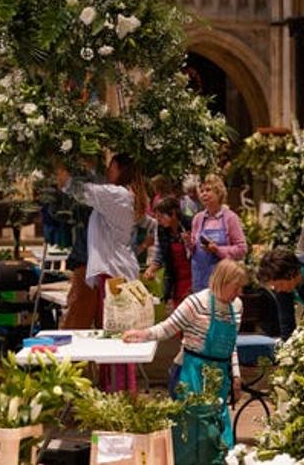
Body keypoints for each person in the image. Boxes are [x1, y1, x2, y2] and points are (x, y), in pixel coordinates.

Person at [124, 259, 247, 448]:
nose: (239, 293)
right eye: (237, 287)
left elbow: (232, 345)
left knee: (216, 437)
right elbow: (167, 328)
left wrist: (236, 375)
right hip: (190, 374)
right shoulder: (196, 302)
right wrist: (142, 334)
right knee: (188, 436)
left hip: (219, 378)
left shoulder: (237, 306)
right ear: (223, 281)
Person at [60, 153, 147, 390]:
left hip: (114, 274)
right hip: (114, 271)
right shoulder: (123, 194)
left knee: (116, 337)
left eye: (110, 167)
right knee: (111, 334)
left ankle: (119, 392)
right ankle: (112, 389)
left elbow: (81, 191)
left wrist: (59, 168)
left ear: (119, 168)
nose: (107, 171)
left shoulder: (118, 195)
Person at [44, 165, 96, 329]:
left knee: (79, 312)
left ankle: (74, 351)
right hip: (86, 257)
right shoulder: (88, 186)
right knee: (79, 309)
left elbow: (59, 213)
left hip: (89, 259)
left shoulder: (88, 187)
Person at [188, 175, 247, 292]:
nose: (203, 194)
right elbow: (193, 250)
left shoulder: (230, 218)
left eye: (208, 190)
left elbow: (242, 249)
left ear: (219, 193)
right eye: (202, 191)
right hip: (200, 278)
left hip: (223, 280)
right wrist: (189, 244)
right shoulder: (198, 218)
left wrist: (218, 250)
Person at [143, 196, 193, 308]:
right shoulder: (162, 230)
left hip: (194, 277)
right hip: (175, 279)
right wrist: (151, 268)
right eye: (157, 217)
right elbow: (161, 252)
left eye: (161, 217)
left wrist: (189, 242)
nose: (159, 221)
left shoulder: (191, 224)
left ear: (173, 213)